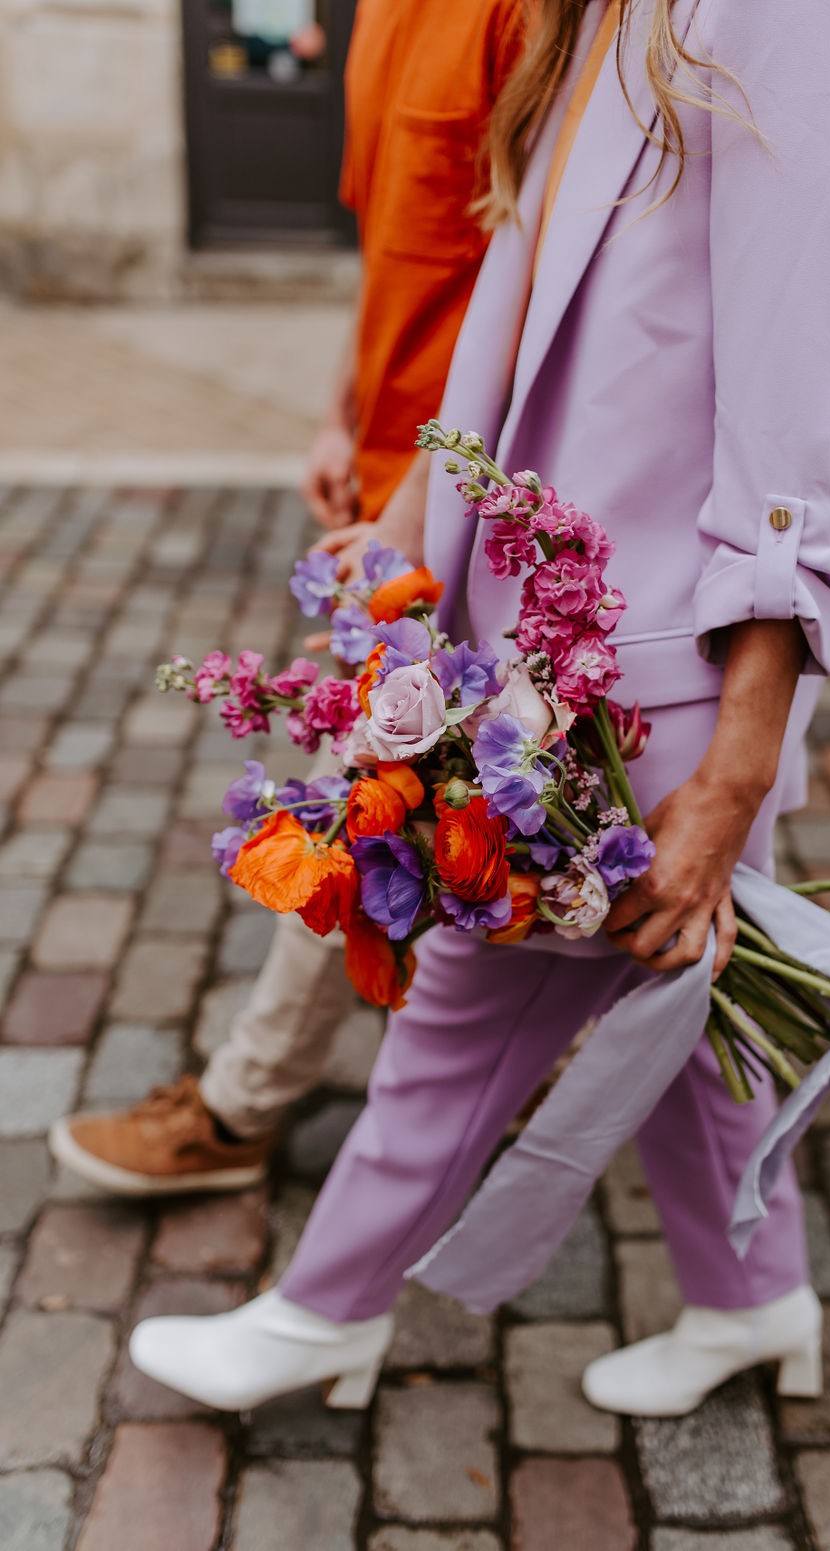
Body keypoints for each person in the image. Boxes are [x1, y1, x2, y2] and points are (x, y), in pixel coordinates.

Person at [129, 0, 830, 1418]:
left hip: (655, 668)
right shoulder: (611, 6)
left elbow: (804, 416)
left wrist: (738, 766)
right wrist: (401, 541)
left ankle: (323, 1309)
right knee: (687, 1002)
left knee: (464, 1008)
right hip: (532, 627)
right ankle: (755, 1298)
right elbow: (506, 349)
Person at [48, 0, 523, 1196]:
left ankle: (242, 1103)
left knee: (375, 806)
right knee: (406, 805)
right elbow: (394, 248)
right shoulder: (381, 15)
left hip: (465, 501)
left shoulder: (532, 18)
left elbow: (537, 291)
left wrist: (427, 497)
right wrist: (337, 407)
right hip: (389, 480)